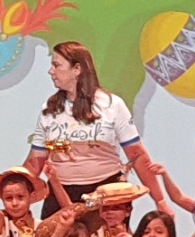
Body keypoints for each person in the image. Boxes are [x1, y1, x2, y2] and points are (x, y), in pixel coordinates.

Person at [21, 40, 177, 202]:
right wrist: (17, 192)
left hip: (107, 194)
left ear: (77, 69)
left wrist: (160, 201)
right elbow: (35, 161)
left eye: (56, 65)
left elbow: (136, 155)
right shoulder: (49, 109)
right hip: (61, 193)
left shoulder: (112, 104)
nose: (50, 71)